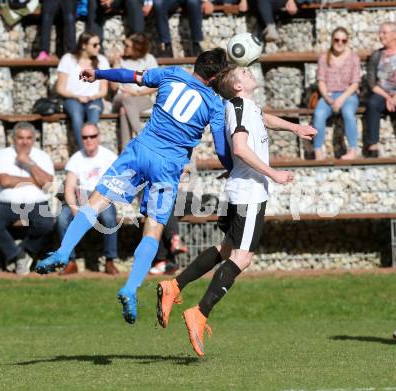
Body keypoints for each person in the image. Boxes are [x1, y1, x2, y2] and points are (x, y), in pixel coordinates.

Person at [35, 48, 232, 326]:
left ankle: (64, 251)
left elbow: (130, 76)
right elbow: (222, 149)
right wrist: (232, 168)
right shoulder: (214, 103)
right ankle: (130, 287)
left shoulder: (172, 74)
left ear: (195, 65)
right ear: (215, 78)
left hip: (140, 151)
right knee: (153, 229)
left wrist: (99, 73)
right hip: (168, 166)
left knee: (96, 202)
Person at [155, 65, 316, 356]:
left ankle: (174, 286)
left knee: (227, 248)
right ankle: (199, 313)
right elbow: (240, 148)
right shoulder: (238, 107)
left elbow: (261, 118)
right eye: (244, 71)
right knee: (242, 258)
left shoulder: (243, 105)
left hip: (240, 189)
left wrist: (294, 127)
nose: (249, 71)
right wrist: (273, 173)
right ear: (238, 86)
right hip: (249, 192)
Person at [0, 122, 55, 275]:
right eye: (21, 138)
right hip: (7, 204)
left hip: (36, 203)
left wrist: (29, 163)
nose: (25, 142)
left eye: (29, 138)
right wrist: (33, 180)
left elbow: (48, 184)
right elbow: (4, 181)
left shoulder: (42, 156)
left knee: (47, 224)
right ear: (13, 139)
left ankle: (25, 250)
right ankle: (17, 255)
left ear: (34, 139)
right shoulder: (3, 155)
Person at [56, 123, 119, 275]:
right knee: (62, 219)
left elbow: (115, 186)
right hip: (79, 197)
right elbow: (69, 187)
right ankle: (70, 262)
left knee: (109, 218)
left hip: (101, 198)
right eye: (85, 137)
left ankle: (110, 261)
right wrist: (73, 208)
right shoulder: (76, 159)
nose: (89, 140)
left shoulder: (110, 157)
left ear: (99, 137)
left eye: (92, 136)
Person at [312, 27, 361, 160]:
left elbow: (355, 83)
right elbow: (321, 81)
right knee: (318, 114)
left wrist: (341, 99)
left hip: (348, 95)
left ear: (347, 42)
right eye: (337, 39)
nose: (340, 42)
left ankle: (352, 150)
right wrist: (328, 98)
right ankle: (317, 151)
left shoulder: (353, 58)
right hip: (329, 94)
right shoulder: (324, 58)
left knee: (348, 113)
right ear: (332, 40)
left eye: (343, 40)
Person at [56, 32, 110, 150]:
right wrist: (77, 96)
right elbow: (60, 88)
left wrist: (93, 96)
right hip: (72, 99)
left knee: (94, 118)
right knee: (76, 117)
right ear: (84, 45)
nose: (99, 47)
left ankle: (93, 150)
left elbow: (104, 90)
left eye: (99, 44)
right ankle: (83, 151)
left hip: (94, 99)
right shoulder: (68, 59)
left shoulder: (102, 61)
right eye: (95, 45)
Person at [110, 33, 158, 150]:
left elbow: (156, 84)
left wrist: (137, 93)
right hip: (120, 98)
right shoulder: (121, 61)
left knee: (124, 110)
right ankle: (141, 134)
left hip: (141, 98)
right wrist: (116, 63)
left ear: (137, 48)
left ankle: (125, 150)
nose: (124, 48)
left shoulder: (149, 59)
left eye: (127, 46)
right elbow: (113, 87)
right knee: (126, 97)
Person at [363, 21, 396, 158]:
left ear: (394, 34)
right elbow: (371, 83)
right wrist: (389, 97)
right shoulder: (377, 55)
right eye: (380, 32)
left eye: (384, 32)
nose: (380, 35)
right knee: (372, 103)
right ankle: (372, 145)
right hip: (381, 93)